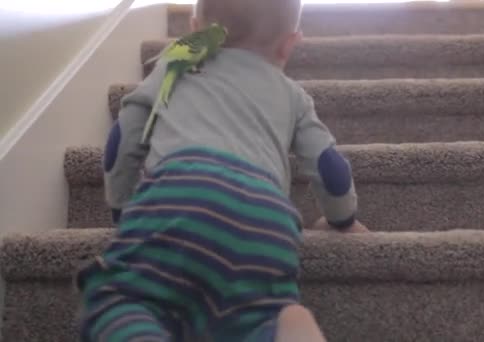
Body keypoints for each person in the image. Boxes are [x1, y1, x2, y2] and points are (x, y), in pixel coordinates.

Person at [75, 0, 368, 340]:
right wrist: (342, 219)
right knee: (255, 319)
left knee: (120, 299)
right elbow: (329, 168)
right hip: (265, 216)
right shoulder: (293, 95)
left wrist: (125, 210)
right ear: (290, 43)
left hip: (179, 193)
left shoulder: (177, 65)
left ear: (195, 26)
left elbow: (122, 138)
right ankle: (284, 328)